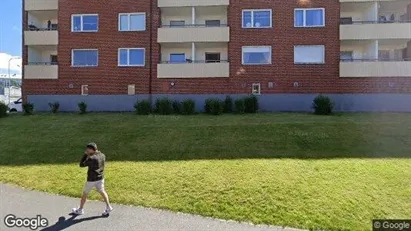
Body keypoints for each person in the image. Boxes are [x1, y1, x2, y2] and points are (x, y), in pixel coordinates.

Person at [72, 143, 113, 216]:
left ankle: (80, 210)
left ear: (91, 149)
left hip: (91, 180)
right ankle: (108, 207)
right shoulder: (102, 155)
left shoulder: (91, 158)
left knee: (84, 194)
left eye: (87, 150)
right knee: (103, 192)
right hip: (100, 178)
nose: (86, 151)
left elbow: (81, 164)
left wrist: (85, 155)